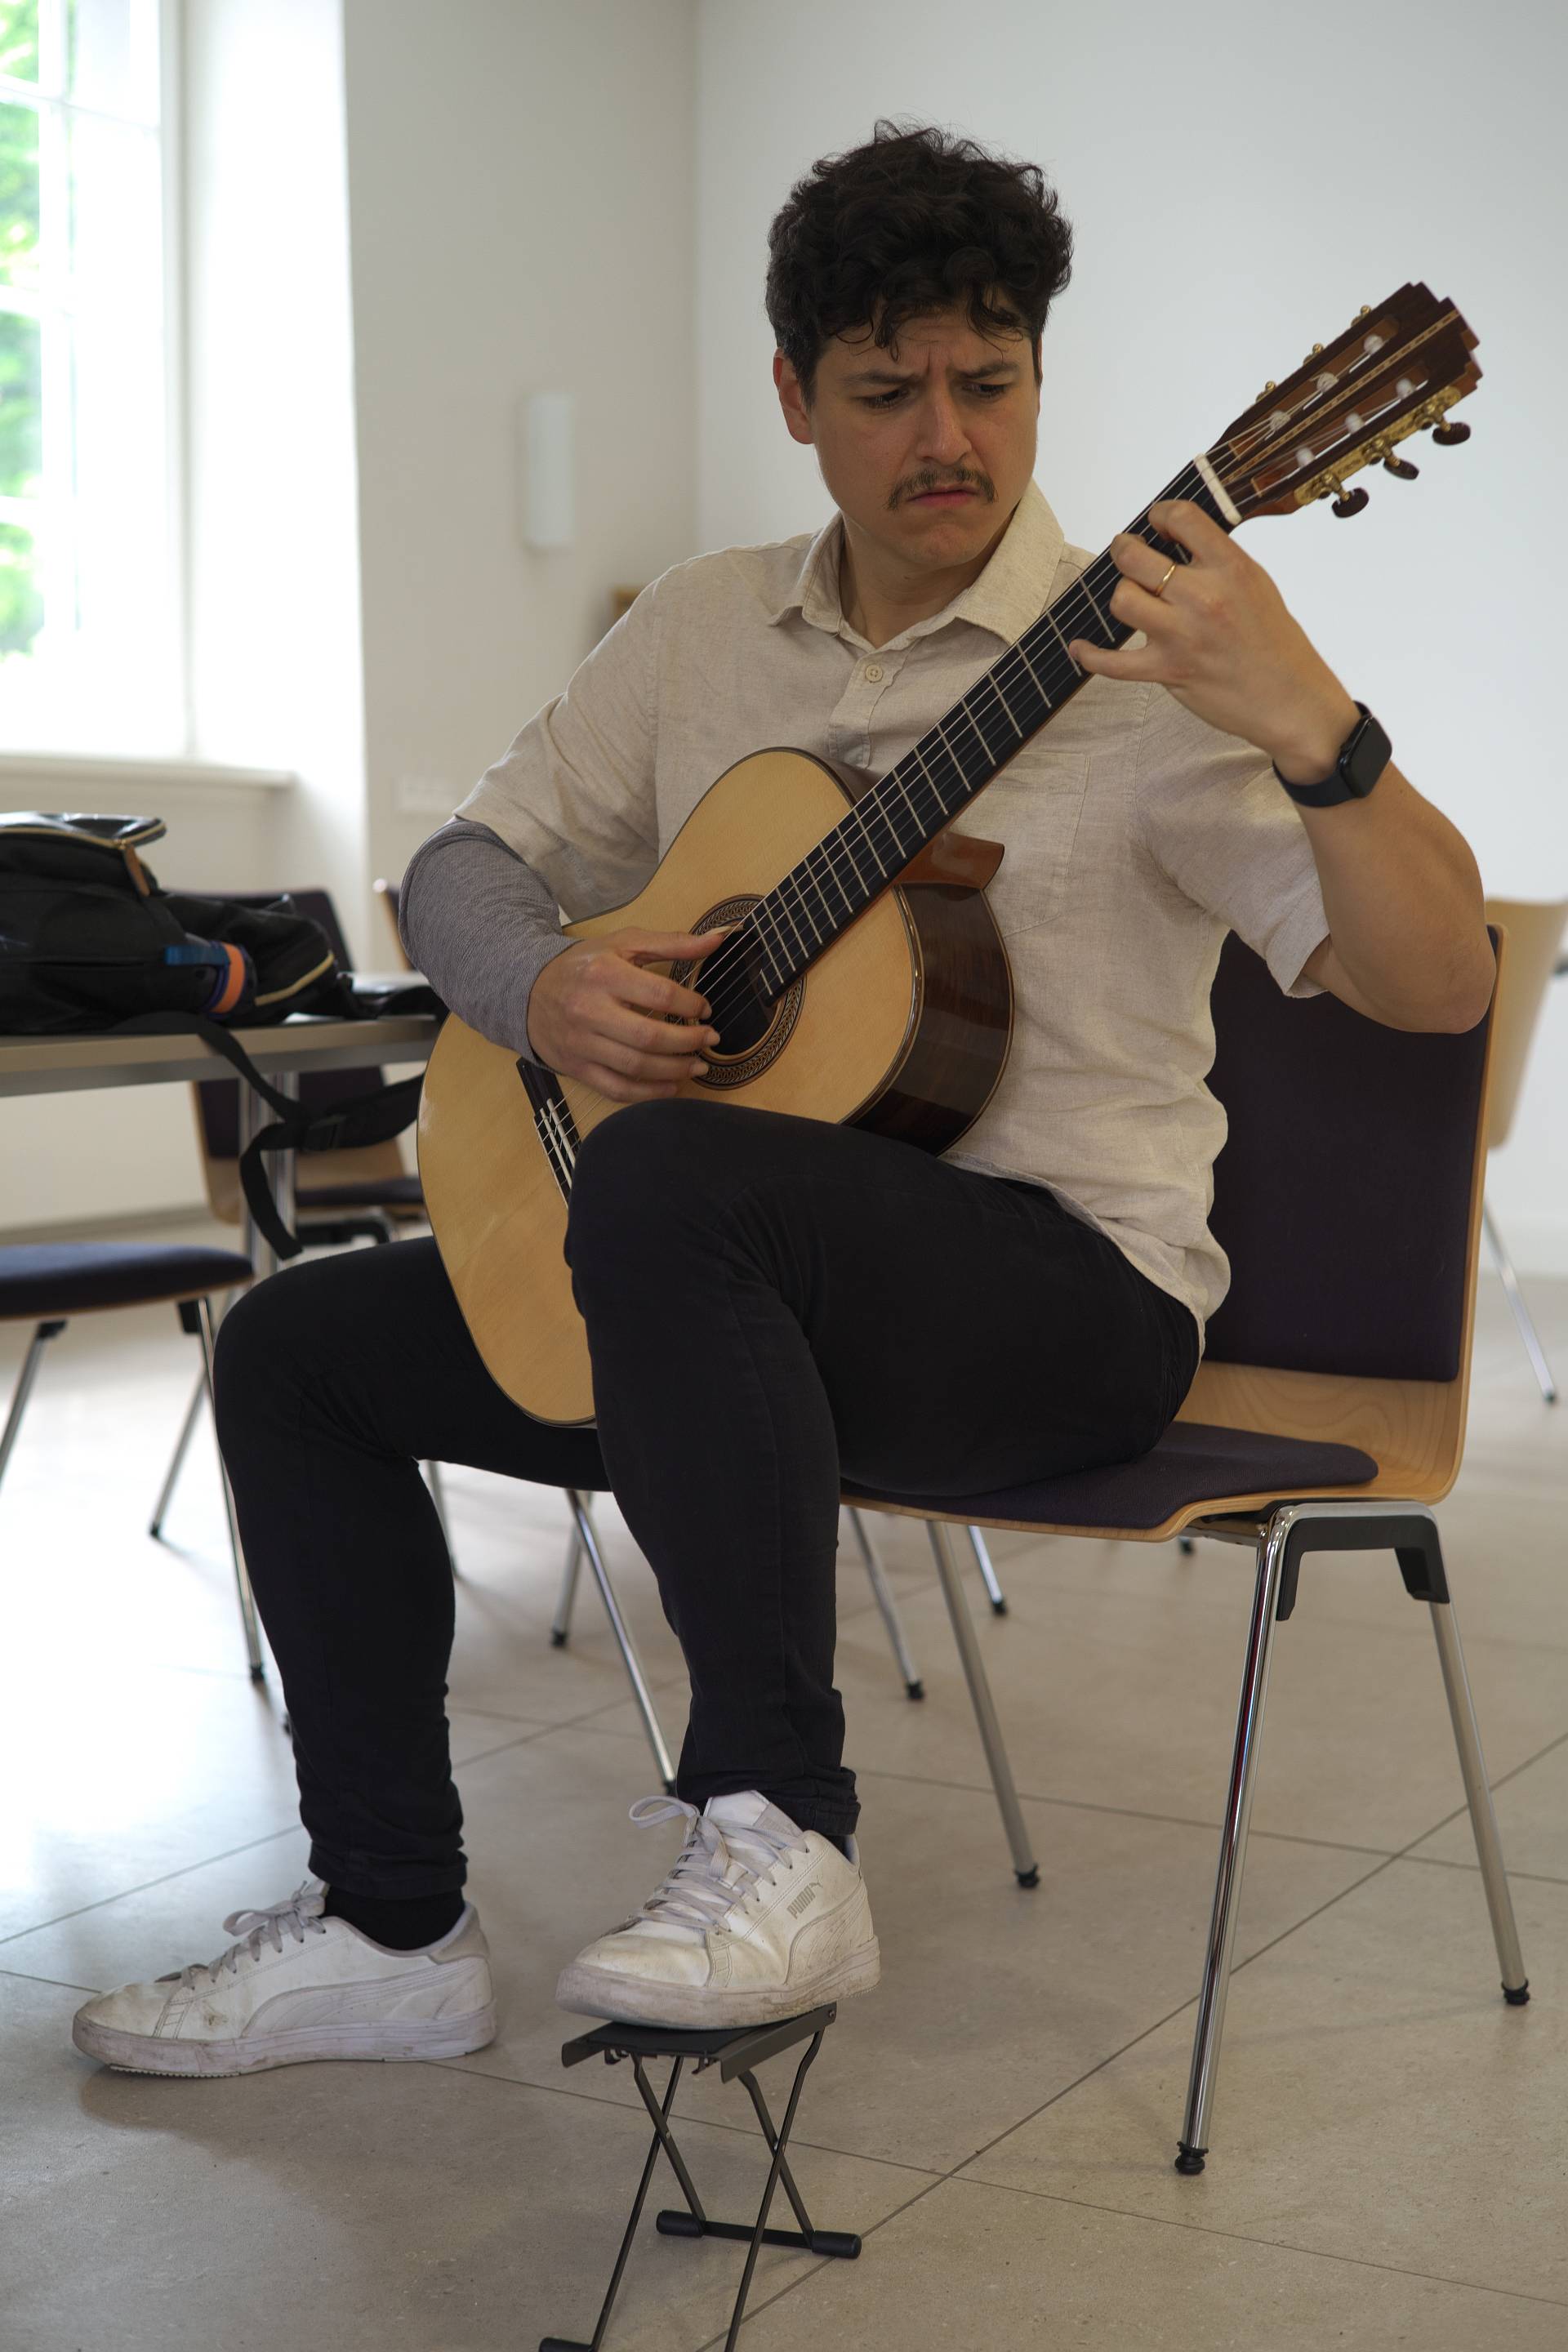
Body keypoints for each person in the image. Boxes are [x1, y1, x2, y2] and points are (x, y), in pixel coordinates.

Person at [73, 122, 1492, 2078]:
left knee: (677, 1177)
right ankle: (389, 1928)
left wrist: (1315, 726)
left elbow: (1440, 988)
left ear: (1041, 377)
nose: (948, 436)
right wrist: (547, 986)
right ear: (793, 397)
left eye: (990, 380)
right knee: (300, 1347)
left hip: (1065, 1307)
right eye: (887, 388)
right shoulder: (700, 631)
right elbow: (466, 866)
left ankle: (779, 1840)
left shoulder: (1162, 673)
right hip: (723, 1306)